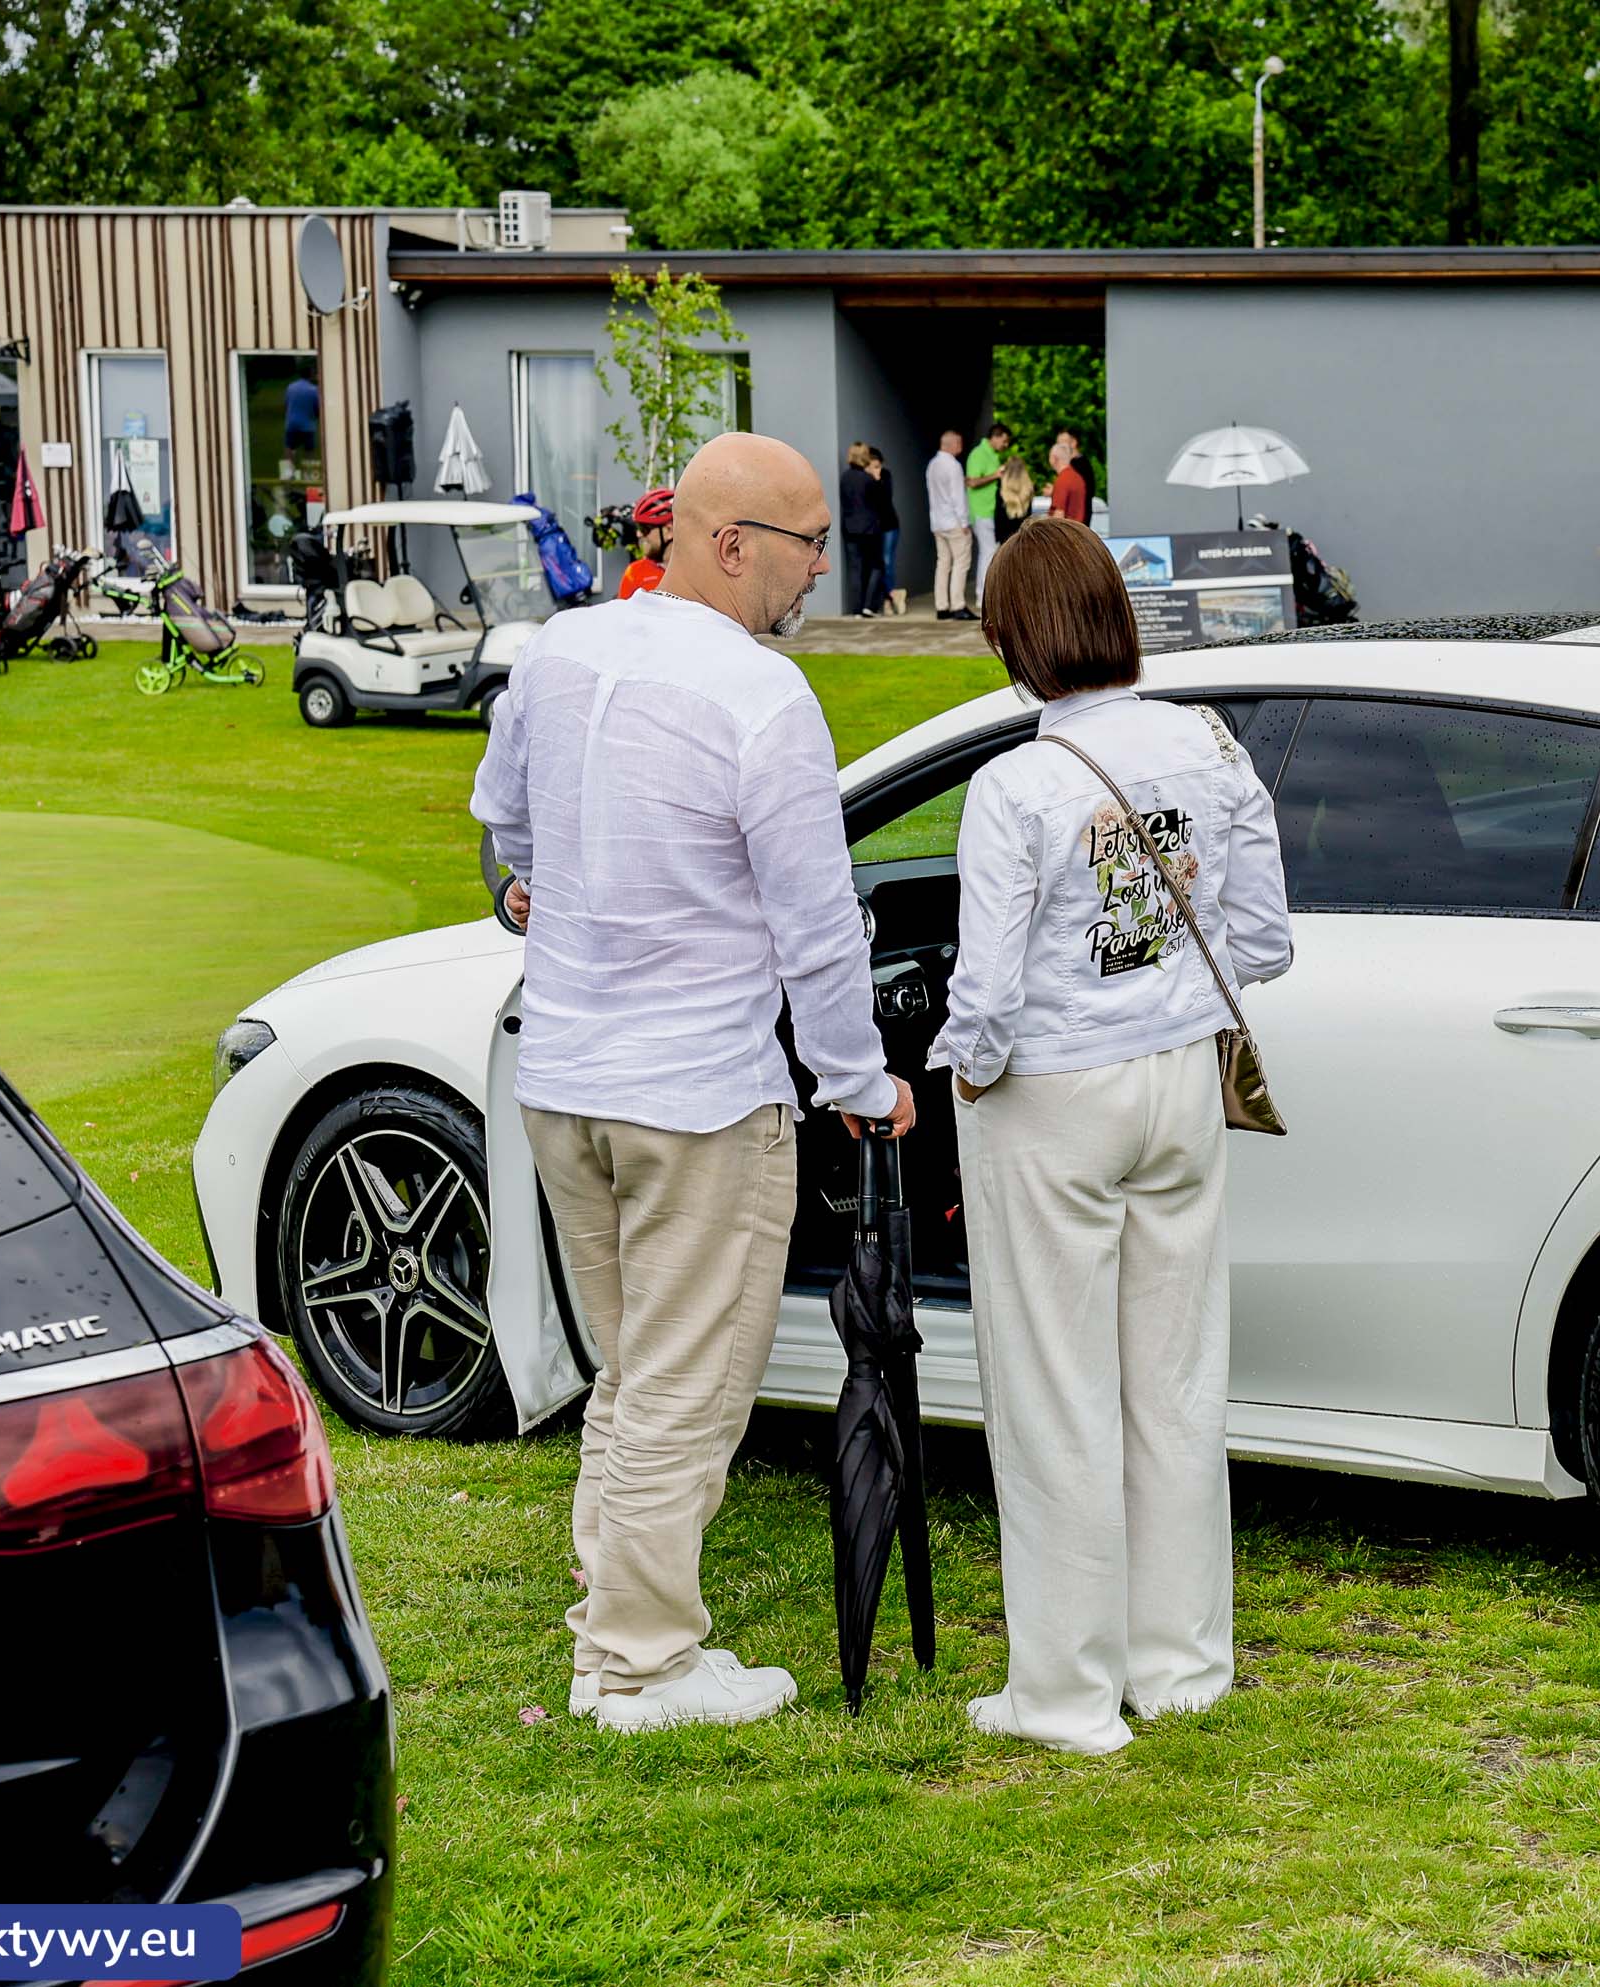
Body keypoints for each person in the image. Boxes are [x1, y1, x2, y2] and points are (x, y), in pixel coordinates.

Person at [472, 431, 917, 1736]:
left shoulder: (559, 649)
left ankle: (605, 1631)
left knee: (631, 1372)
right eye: (805, 548)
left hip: (563, 1079)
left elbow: (503, 822)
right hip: (698, 1097)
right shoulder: (761, 697)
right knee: (683, 1385)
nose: (819, 573)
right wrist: (856, 1077)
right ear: (727, 544)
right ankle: (644, 1664)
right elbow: (818, 923)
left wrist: (535, 894)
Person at [929, 519, 1293, 1756]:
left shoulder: (1014, 785)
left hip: (1054, 1093)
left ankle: (1068, 1695)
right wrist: (1171, 997)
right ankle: (1182, 1664)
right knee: (1176, 1384)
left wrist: (969, 1073)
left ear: (1016, 641)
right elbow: (1266, 937)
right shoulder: (1208, 743)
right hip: (1181, 1083)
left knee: (1055, 1395)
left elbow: (981, 992)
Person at [925, 429, 975, 619]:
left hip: (938, 522)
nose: (961, 447)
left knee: (943, 563)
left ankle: (942, 606)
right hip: (953, 522)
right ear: (951, 444)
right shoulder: (953, 466)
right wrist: (964, 522)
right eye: (959, 443)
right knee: (961, 562)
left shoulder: (932, 465)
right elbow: (957, 497)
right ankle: (958, 605)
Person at [841, 440, 887, 616]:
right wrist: (877, 480)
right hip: (870, 529)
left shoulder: (845, 477)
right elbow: (881, 501)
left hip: (850, 529)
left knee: (855, 569)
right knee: (876, 566)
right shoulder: (868, 479)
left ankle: (856, 609)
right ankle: (869, 605)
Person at [967, 421, 1015, 594]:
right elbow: (971, 481)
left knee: (992, 552)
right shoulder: (978, 454)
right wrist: (996, 475)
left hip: (991, 512)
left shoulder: (993, 455)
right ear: (995, 437)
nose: (1006, 444)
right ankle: (983, 595)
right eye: (1004, 440)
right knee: (988, 553)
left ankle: (987, 593)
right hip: (981, 512)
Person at [863, 446, 904, 616]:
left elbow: (885, 499)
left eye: (878, 465)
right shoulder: (864, 478)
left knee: (887, 562)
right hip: (874, 528)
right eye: (873, 466)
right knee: (878, 565)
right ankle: (893, 595)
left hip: (889, 526)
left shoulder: (885, 476)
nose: (876, 469)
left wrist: (878, 479)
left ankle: (889, 598)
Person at [614, 488, 674, 599]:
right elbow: (622, 616)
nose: (638, 534)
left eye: (644, 528)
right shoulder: (634, 573)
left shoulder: (696, 572)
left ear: (669, 531)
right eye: (638, 528)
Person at [1045, 432, 1091, 527]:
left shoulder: (1062, 480)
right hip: (1078, 528)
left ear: (1054, 458)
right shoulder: (1077, 477)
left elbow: (1059, 514)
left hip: (1065, 532)